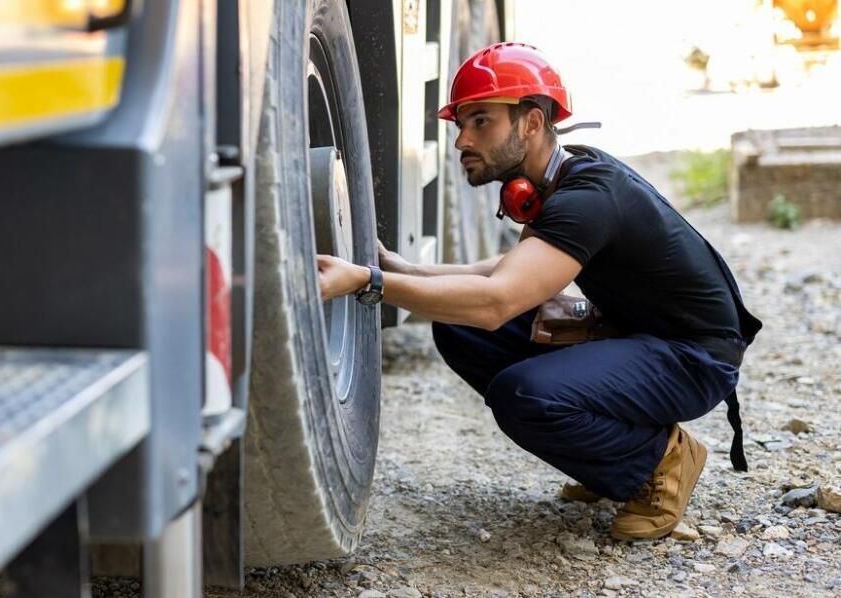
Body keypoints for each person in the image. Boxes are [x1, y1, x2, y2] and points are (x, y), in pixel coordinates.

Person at [317, 42, 762, 540]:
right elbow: (508, 270)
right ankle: (606, 458)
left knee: (522, 393)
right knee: (462, 332)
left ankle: (659, 461)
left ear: (531, 123)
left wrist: (368, 283)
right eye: (460, 124)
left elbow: (495, 302)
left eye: (480, 121)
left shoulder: (586, 197)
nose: (462, 139)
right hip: (638, 336)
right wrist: (406, 270)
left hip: (691, 357)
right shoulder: (559, 179)